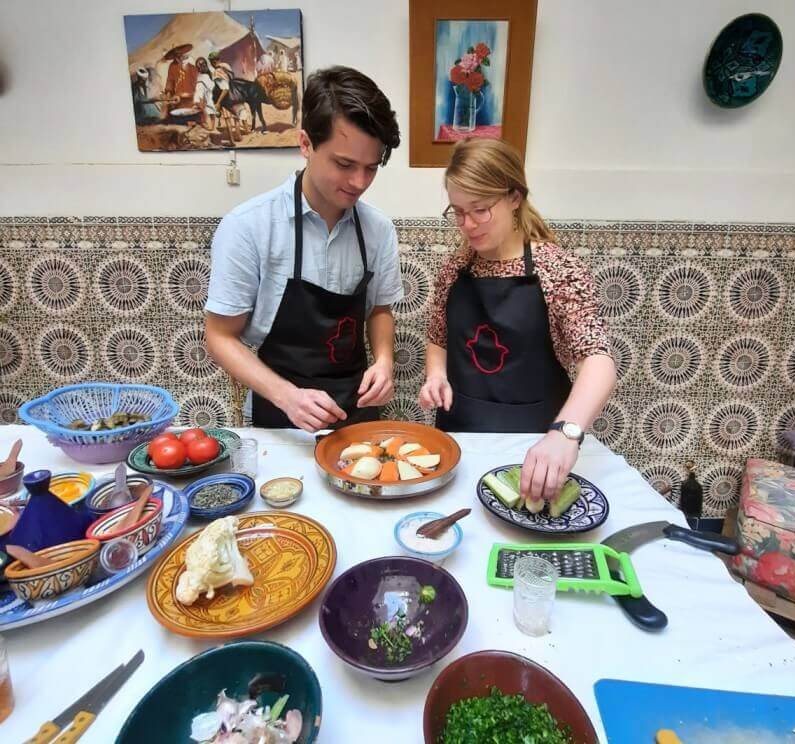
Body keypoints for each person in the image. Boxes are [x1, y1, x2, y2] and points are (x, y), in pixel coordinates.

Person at [205, 66, 403, 431]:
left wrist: (385, 361)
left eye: (371, 168)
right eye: (344, 164)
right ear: (306, 144)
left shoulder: (378, 229)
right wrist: (286, 396)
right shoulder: (248, 226)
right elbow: (219, 335)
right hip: (277, 410)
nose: (359, 182)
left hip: (356, 408)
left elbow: (379, 308)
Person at [419, 137, 616, 502]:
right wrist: (435, 375)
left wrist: (565, 435)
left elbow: (598, 359)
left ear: (514, 197)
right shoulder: (454, 269)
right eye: (458, 212)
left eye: (480, 209)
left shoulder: (558, 269)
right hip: (459, 442)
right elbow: (438, 338)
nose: (468, 224)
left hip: (535, 452)